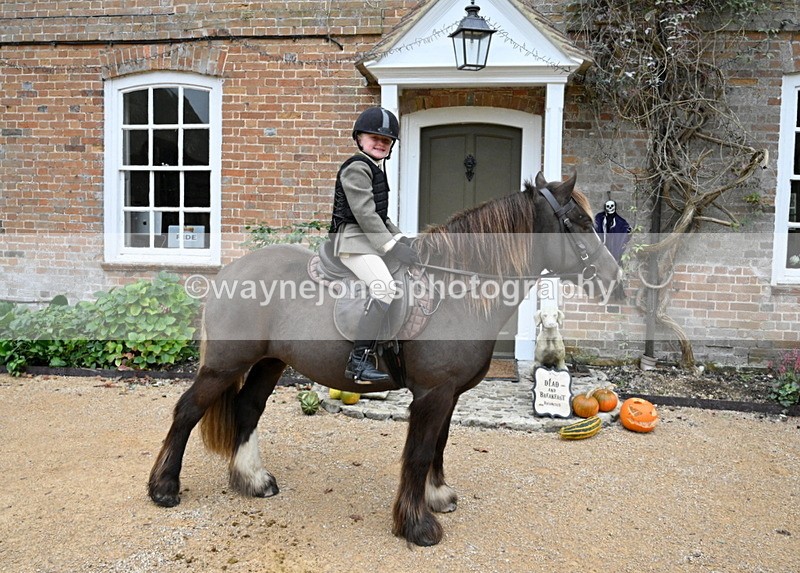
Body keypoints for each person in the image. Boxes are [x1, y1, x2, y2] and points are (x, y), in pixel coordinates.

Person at [328, 107, 419, 384]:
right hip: (353, 241)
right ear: (359, 138)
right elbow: (365, 214)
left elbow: (381, 217)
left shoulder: (376, 168)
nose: (380, 142)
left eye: (387, 140)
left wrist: (403, 239)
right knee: (385, 287)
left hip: (367, 238)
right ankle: (359, 360)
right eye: (374, 137)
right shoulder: (357, 167)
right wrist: (391, 246)